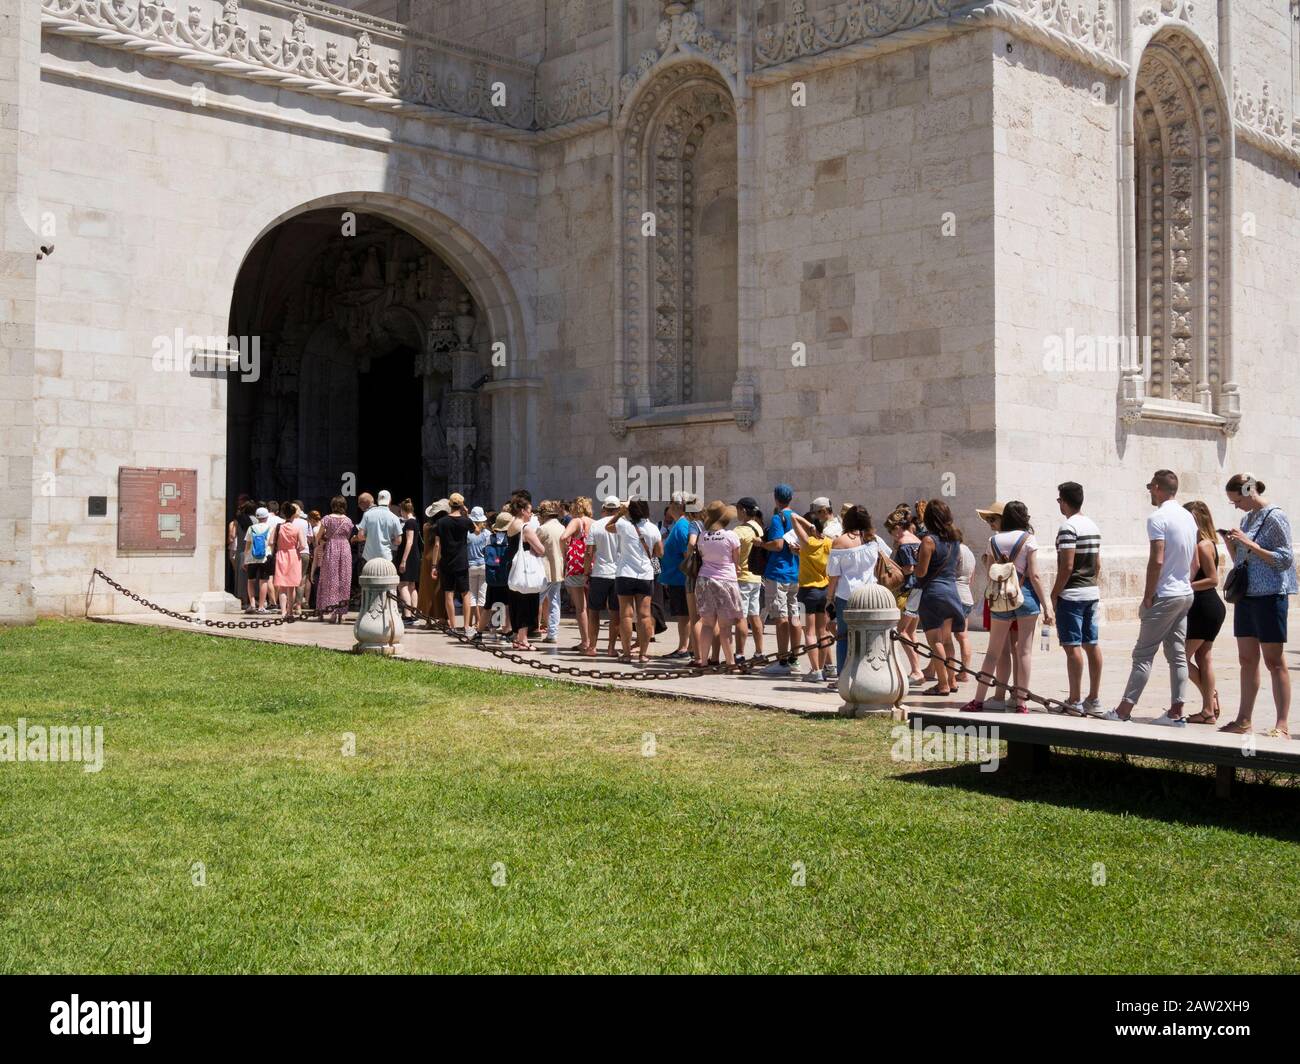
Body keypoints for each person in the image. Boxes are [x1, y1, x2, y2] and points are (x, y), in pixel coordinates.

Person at [1104, 470, 1197, 726]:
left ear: (1157, 487)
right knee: (1177, 655)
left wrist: (1148, 595)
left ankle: (1123, 710)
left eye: (1150, 487)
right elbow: (1193, 560)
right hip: (1185, 593)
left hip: (1165, 594)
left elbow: (1156, 559)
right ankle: (1177, 711)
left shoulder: (1158, 518)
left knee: (1143, 654)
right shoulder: (1189, 517)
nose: (1149, 492)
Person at [1219, 473, 1295, 738]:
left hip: (1270, 594)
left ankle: (1282, 725)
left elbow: (1285, 559)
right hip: (1247, 595)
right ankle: (1244, 720)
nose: (1236, 505)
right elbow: (1244, 559)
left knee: (1274, 661)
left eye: (1237, 499)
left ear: (1249, 491)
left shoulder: (1275, 516)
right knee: (1247, 659)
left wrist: (1249, 543)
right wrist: (1233, 545)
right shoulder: (1247, 519)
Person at [961, 500, 1054, 714]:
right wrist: (1048, 605)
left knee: (993, 652)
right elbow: (1035, 574)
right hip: (1027, 597)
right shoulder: (1029, 539)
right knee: (1024, 652)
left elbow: (990, 570)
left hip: (1001, 598)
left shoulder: (993, 540)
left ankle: (977, 700)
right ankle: (1021, 702)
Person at [1051, 481, 1105, 717]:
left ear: (1064, 501)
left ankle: (1074, 700)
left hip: (1072, 594)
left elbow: (1067, 565)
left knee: (1072, 647)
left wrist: (1054, 593)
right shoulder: (1092, 525)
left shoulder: (1068, 528)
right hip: (1091, 592)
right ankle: (1093, 698)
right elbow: (1098, 563)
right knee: (1091, 644)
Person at [913, 499, 966, 696]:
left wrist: (910, 568)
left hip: (933, 594)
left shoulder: (929, 541)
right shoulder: (955, 540)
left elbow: (921, 572)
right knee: (948, 641)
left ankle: (942, 684)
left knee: (935, 640)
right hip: (951, 592)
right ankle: (952, 681)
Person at [1182, 500, 1226, 725]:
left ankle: (1209, 700)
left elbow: (1212, 579)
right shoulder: (1207, 543)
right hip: (1207, 607)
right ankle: (1208, 708)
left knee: (1179, 656)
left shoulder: (1202, 546)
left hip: (1204, 606)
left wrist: (1186, 586)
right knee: (1203, 656)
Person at [826, 505, 880, 681]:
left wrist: (829, 598)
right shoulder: (873, 539)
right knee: (866, 637)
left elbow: (834, 575)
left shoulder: (840, 542)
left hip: (846, 595)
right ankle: (865, 674)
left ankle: (843, 675)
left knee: (843, 637)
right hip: (869, 595)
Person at [606, 497, 663, 664]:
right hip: (645, 574)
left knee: (626, 615)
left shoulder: (623, 525)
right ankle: (643, 654)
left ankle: (626, 653)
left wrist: (619, 514)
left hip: (624, 573)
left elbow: (608, 527)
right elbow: (660, 552)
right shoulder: (653, 528)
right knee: (645, 615)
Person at [694, 501, 742, 668]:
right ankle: (730, 663)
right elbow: (737, 561)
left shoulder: (702, 536)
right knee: (725, 627)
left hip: (704, 580)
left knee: (707, 624)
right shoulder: (731, 536)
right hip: (726, 581)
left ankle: (704, 661)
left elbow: (702, 556)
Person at [761, 484, 803, 676]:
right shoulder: (796, 518)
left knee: (780, 617)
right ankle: (795, 658)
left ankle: (783, 659)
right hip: (795, 571)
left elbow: (777, 545)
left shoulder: (779, 518)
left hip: (778, 572)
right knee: (794, 615)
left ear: (776, 499)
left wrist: (761, 544)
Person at [789, 510, 833, 682]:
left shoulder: (806, 542)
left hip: (806, 592)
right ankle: (822, 669)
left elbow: (793, 517)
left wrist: (809, 526)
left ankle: (815, 670)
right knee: (823, 631)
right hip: (824, 590)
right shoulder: (828, 542)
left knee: (808, 631)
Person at [886, 505, 925, 686]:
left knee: (901, 632)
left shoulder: (903, 542)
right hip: (919, 589)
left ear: (897, 527)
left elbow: (909, 568)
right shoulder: (917, 539)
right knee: (910, 632)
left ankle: (916, 671)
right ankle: (915, 669)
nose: (892, 534)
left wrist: (893, 569)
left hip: (908, 591)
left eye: (891, 530)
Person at [503, 494, 546, 651]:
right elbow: (541, 549)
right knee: (527, 603)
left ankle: (517, 638)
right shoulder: (526, 528)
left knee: (516, 602)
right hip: (527, 570)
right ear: (522, 510)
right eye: (530, 510)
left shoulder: (511, 526)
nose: (531, 513)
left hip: (515, 569)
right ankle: (523, 640)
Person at [433, 493, 476, 635]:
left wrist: (434, 565)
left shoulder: (441, 522)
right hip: (462, 561)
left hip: (446, 562)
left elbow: (437, 545)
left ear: (449, 505)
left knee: (448, 594)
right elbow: (477, 530)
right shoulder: (466, 521)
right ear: (462, 505)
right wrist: (467, 514)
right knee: (465, 593)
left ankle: (452, 626)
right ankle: (466, 626)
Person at [585, 496, 622, 658]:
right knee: (615, 612)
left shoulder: (596, 525)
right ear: (619, 509)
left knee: (593, 611)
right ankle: (611, 648)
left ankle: (592, 646)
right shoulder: (623, 525)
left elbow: (589, 552)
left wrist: (586, 571)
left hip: (599, 572)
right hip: (618, 573)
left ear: (604, 509)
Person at [658, 494, 693, 659]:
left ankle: (684, 648)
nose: (669, 506)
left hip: (680, 578)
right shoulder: (680, 524)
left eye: (670, 502)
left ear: (677, 506)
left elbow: (687, 553)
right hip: (675, 577)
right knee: (683, 615)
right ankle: (686, 646)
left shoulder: (681, 526)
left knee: (684, 615)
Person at [733, 497, 766, 664]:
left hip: (742, 577)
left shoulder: (739, 531)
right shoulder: (759, 528)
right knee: (755, 616)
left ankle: (739, 653)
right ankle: (760, 652)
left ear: (743, 510)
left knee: (741, 617)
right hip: (756, 578)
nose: (736, 513)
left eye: (737, 509)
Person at [559, 497, 594, 653]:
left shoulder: (576, 521)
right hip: (592, 566)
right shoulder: (594, 522)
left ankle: (585, 641)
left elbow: (563, 537)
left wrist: (566, 550)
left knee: (581, 608)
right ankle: (593, 641)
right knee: (593, 607)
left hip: (577, 567)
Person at [315, 495, 355, 623]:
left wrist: (324, 540)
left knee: (329, 580)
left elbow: (318, 537)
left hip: (331, 548)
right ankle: (341, 613)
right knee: (344, 580)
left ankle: (328, 611)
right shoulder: (348, 520)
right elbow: (348, 535)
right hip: (345, 549)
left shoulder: (327, 519)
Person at [535, 500, 567, 643]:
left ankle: (531, 629)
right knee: (555, 602)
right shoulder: (562, 528)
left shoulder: (543, 529)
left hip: (543, 570)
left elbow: (534, 548)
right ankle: (552, 633)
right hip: (558, 569)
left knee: (536, 600)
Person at [272, 502, 309, 620]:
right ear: (293, 515)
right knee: (291, 586)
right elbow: (303, 545)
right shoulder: (297, 528)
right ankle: (290, 612)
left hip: (281, 555)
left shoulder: (278, 527)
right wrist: (295, 547)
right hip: (293, 555)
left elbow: (270, 542)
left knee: (282, 586)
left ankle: (282, 611)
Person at [419, 499, 450, 627]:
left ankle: (428, 619)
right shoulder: (444, 527)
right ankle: (442, 617)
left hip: (426, 560)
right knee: (441, 589)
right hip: (440, 558)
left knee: (427, 589)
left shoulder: (426, 527)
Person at [483, 511, 513, 638]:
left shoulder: (489, 538)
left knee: (489, 604)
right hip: (507, 576)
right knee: (507, 604)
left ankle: (483, 629)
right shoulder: (511, 539)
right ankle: (507, 629)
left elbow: (483, 552)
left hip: (493, 576)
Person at [242, 506, 276, 614]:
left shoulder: (251, 528)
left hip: (252, 557)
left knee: (250, 580)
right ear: (266, 517)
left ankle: (252, 604)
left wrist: (245, 560)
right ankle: (261, 606)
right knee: (264, 581)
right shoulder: (271, 528)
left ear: (257, 517)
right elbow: (271, 543)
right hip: (265, 557)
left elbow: (247, 546)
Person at [354, 490, 404, 563]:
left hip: (369, 558)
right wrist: (389, 540)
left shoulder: (367, 514)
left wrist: (371, 538)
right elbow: (398, 541)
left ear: (377, 500)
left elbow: (360, 536)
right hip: (386, 557)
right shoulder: (394, 518)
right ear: (390, 501)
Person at [954, 538, 976, 686]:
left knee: (942, 637)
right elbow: (971, 578)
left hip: (955, 595)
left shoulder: (955, 550)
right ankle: (964, 672)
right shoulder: (969, 551)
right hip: (967, 595)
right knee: (963, 636)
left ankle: (959, 673)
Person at [394, 498, 421, 616]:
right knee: (412, 586)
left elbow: (409, 542)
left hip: (408, 557)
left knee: (402, 585)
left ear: (403, 510)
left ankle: (408, 614)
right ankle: (413, 613)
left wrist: (403, 561)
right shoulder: (415, 521)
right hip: (414, 556)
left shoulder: (409, 523)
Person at [466, 506, 490, 638]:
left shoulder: (468, 533)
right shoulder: (486, 533)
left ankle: (472, 622)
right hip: (484, 565)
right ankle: (480, 622)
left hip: (470, 565)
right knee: (482, 595)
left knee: (472, 595)